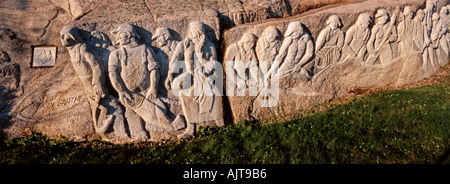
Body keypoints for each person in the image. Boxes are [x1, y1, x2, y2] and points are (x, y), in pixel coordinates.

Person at [167, 21, 224, 138]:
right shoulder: (184, 44)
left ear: (199, 32)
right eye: (190, 30)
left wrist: (200, 58)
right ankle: (190, 127)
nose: (191, 33)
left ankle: (219, 122)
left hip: (206, 75)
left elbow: (214, 64)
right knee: (184, 94)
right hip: (191, 76)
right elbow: (174, 60)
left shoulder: (209, 45)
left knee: (214, 90)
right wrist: (169, 75)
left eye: (194, 31)